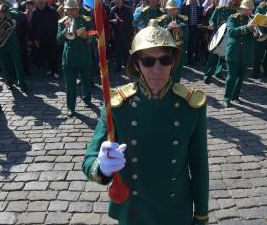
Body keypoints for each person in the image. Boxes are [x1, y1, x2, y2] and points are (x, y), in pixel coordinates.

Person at [82, 19, 208, 225]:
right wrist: (102, 167)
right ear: (137, 64)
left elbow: (199, 165)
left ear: (173, 62)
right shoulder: (117, 104)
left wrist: (201, 215)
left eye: (165, 60)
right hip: (134, 209)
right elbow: (89, 160)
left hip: (175, 208)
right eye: (148, 61)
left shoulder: (190, 105)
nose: (157, 69)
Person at [57, 0, 95, 117]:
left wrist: (86, 37)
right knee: (70, 85)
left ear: (77, 10)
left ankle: (87, 99)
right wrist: (64, 30)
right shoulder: (62, 21)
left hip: (84, 55)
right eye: (68, 10)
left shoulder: (86, 20)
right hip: (69, 58)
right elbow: (58, 40)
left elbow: (94, 35)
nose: (70, 12)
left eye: (72, 10)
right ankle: (70, 107)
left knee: (85, 81)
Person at [222, 0, 258, 108]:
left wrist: (256, 33)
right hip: (234, 52)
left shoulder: (253, 19)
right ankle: (227, 98)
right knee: (231, 77)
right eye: (246, 9)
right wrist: (247, 27)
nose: (248, 12)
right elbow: (232, 32)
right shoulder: (232, 18)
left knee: (241, 76)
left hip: (246, 52)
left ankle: (235, 96)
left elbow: (255, 36)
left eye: (250, 9)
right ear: (241, 9)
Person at [204, 0, 238, 83]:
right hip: (217, 33)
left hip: (227, 36)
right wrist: (211, 23)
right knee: (213, 55)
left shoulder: (235, 12)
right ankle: (208, 74)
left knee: (223, 56)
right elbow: (212, 19)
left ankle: (218, 72)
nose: (231, 0)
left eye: (233, 0)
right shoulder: (219, 8)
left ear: (235, 2)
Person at [157, 0, 189, 83]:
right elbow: (158, 35)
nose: (171, 11)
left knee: (177, 72)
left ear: (177, 10)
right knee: (165, 69)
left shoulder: (183, 19)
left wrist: (179, 31)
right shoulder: (162, 19)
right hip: (166, 49)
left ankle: (175, 87)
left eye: (174, 9)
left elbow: (187, 36)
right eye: (169, 9)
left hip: (178, 48)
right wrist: (167, 28)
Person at [31, 0, 59, 78]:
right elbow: (33, 27)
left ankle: (55, 71)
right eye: (38, 3)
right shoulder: (34, 12)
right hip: (41, 39)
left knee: (53, 56)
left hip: (52, 38)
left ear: (45, 2)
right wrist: (35, 39)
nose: (40, 4)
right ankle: (51, 70)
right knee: (46, 55)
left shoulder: (53, 11)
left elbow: (58, 25)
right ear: (36, 4)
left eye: (41, 3)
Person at [109, 0, 134, 72]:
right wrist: (113, 22)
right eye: (115, 2)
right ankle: (118, 66)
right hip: (117, 33)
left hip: (126, 33)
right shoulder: (113, 10)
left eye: (118, 2)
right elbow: (110, 21)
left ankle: (127, 66)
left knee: (126, 50)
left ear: (121, 0)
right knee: (117, 50)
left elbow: (132, 22)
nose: (116, 4)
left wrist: (132, 34)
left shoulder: (128, 9)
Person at [181, 0, 204, 64]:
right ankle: (184, 59)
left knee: (193, 44)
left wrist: (200, 23)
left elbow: (201, 16)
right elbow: (181, 16)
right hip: (186, 27)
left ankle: (190, 59)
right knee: (185, 43)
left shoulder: (199, 5)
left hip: (195, 28)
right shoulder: (184, 5)